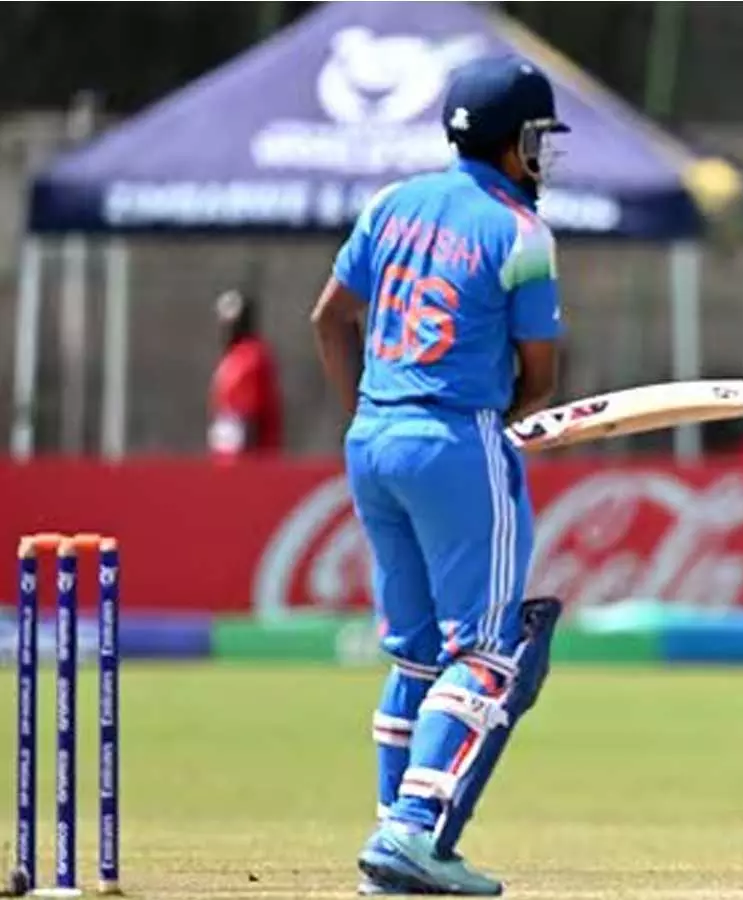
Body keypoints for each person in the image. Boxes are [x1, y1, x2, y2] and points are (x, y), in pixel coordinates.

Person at [310, 56, 570, 895]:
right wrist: (491, 415)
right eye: (540, 138)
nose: (544, 155)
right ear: (517, 142)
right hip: (457, 440)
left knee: (416, 653)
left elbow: (329, 318)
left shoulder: (392, 202)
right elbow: (541, 375)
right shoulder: (521, 233)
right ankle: (413, 830)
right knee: (485, 652)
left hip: (372, 440)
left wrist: (373, 407)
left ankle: (392, 847)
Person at [207, 289, 283, 460]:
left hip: (250, 460)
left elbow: (247, 417)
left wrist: (245, 464)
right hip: (228, 457)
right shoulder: (232, 357)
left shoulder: (251, 356)